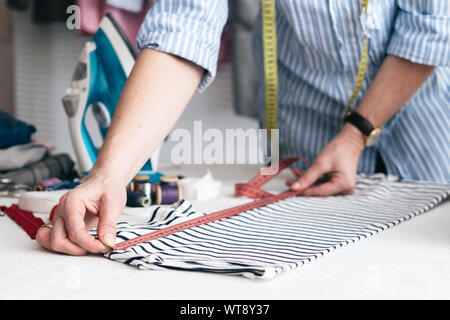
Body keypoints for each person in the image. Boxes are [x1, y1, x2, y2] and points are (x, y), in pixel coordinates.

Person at [36, 0, 449, 255]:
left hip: (422, 118)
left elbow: (427, 29)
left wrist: (356, 132)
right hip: (312, 131)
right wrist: (109, 175)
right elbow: (185, 25)